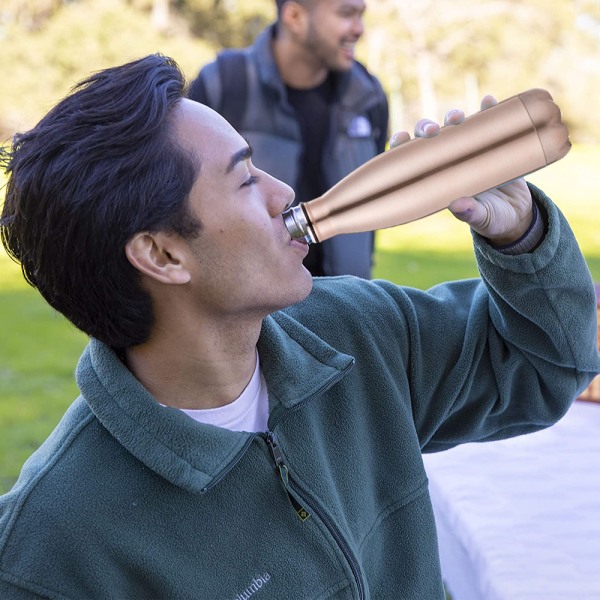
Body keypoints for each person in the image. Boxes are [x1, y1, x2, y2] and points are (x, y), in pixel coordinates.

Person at [0, 54, 598, 600]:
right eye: (244, 178)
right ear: (162, 256)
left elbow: (546, 365)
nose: (283, 192)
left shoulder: (355, 331)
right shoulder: (52, 549)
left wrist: (519, 237)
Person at [187, 0, 388, 279]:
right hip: (256, 310)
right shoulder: (223, 84)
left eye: (361, 15)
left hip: (348, 303)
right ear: (294, 15)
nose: (359, 29)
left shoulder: (368, 96)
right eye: (346, 13)